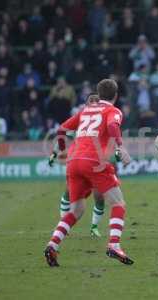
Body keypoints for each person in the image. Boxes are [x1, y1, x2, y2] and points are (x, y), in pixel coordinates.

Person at [44, 79, 134, 267]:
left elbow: (61, 129)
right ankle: (114, 245)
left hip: (73, 162)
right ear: (116, 96)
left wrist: (61, 149)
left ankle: (53, 244)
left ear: (98, 94)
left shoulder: (86, 110)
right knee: (118, 203)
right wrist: (121, 147)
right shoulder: (113, 111)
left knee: (76, 210)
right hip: (95, 161)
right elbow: (111, 126)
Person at [49, 93, 111, 238]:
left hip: (97, 160)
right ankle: (64, 224)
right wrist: (55, 151)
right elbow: (63, 133)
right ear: (86, 103)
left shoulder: (105, 116)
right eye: (91, 100)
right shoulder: (81, 116)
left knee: (99, 195)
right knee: (69, 192)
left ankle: (94, 227)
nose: (94, 103)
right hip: (80, 157)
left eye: (97, 100)